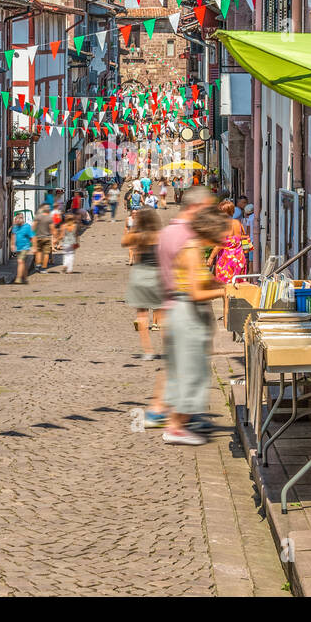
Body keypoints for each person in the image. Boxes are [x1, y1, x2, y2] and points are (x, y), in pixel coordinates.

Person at [144, 185, 216, 429]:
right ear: (196, 207)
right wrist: (225, 288)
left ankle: (162, 410)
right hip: (184, 308)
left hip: (170, 304)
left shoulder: (167, 232)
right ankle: (172, 417)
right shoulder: (187, 237)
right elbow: (193, 282)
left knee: (176, 364)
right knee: (186, 365)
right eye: (208, 209)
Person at [162, 208, 230, 445]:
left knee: (191, 370)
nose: (224, 237)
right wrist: (224, 291)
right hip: (186, 314)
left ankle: (179, 421)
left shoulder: (195, 248)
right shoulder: (192, 250)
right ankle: (175, 427)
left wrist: (219, 282)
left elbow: (200, 280)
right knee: (191, 372)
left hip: (190, 316)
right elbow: (194, 292)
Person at [122, 209, 165, 360]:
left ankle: (148, 351)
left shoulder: (138, 236)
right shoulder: (161, 235)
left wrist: (135, 226)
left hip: (140, 274)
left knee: (141, 315)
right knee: (162, 314)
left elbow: (124, 242)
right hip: (158, 274)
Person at [210, 199, 252, 284]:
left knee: (225, 286)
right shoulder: (238, 223)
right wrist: (245, 255)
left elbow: (220, 245)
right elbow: (245, 238)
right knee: (237, 284)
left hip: (226, 259)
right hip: (239, 258)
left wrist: (211, 257)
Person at [11, 211, 35, 284]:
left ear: (23, 219)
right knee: (23, 263)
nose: (19, 219)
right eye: (18, 218)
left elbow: (32, 237)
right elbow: (13, 235)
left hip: (25, 247)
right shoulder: (15, 227)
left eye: (21, 218)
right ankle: (25, 277)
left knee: (20, 261)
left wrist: (34, 247)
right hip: (18, 247)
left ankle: (18, 278)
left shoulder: (27, 227)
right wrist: (12, 244)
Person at [33, 204, 54, 271]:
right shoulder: (49, 218)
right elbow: (52, 228)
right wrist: (54, 236)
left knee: (39, 252)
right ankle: (43, 268)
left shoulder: (38, 217)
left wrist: (32, 235)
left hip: (38, 237)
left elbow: (33, 227)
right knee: (46, 253)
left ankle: (38, 265)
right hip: (47, 238)